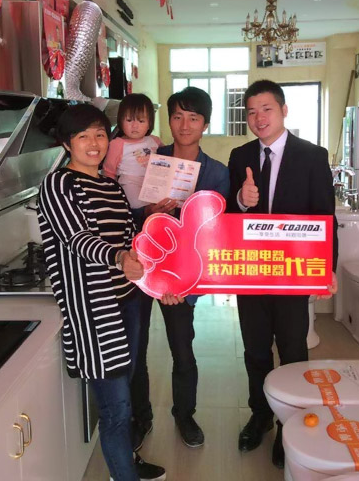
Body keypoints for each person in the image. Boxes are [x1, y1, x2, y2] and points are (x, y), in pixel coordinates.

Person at [37, 104, 166, 481]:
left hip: (128, 302)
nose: (93, 143)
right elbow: (77, 238)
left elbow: (131, 240)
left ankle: (126, 461)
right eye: (82, 136)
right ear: (67, 143)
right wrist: (119, 257)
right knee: (116, 409)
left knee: (125, 391)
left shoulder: (111, 187)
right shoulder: (58, 184)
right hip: (94, 310)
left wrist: (163, 280)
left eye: (99, 134)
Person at [227, 80, 338, 469]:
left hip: (292, 272)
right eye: (251, 111)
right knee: (255, 349)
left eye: (267, 109)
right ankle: (260, 415)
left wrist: (326, 268)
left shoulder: (312, 156)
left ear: (284, 110)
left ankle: (288, 422)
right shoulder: (240, 155)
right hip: (251, 272)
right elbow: (228, 215)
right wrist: (242, 200)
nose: (259, 118)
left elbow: (325, 215)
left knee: (292, 350)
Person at [130, 87, 230, 451]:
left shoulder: (217, 173)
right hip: (141, 269)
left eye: (193, 118)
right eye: (177, 117)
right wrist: (147, 211)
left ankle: (185, 414)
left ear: (205, 124)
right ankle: (141, 417)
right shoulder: (147, 161)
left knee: (183, 351)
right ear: (168, 121)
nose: (184, 125)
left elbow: (214, 236)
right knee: (135, 350)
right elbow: (125, 213)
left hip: (180, 279)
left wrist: (187, 285)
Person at [103, 93, 162, 225]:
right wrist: (112, 195)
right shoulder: (117, 144)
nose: (135, 126)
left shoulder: (154, 141)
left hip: (153, 185)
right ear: (120, 121)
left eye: (141, 121)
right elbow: (109, 172)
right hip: (131, 185)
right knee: (138, 209)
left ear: (149, 123)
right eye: (129, 120)